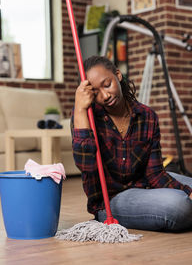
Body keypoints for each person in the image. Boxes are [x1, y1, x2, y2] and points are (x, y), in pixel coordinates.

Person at [71, 55, 192, 231]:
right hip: (111, 200)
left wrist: (187, 190)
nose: (105, 95)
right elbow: (86, 166)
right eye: (95, 92)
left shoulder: (147, 116)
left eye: (107, 84)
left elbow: (155, 173)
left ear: (118, 75)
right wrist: (80, 109)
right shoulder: (85, 116)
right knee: (179, 206)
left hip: (145, 184)